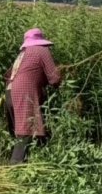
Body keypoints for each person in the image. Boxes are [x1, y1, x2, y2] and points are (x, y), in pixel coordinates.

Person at [5, 28, 62, 165]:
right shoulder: (42, 51)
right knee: (26, 133)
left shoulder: (23, 53)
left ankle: (40, 161)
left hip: (10, 94)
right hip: (24, 93)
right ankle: (15, 168)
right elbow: (54, 78)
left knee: (30, 132)